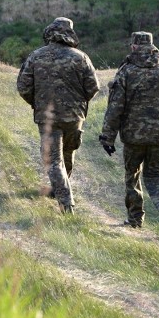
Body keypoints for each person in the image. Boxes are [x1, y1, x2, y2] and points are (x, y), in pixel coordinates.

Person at [99, 31, 159, 234]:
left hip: (133, 137)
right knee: (158, 176)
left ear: (134, 47)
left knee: (132, 176)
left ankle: (135, 218)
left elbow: (115, 108)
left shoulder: (126, 72)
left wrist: (108, 137)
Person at [17, 17, 100, 214]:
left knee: (53, 160)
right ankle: (61, 189)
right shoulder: (80, 57)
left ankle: (66, 202)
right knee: (68, 153)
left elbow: (23, 87)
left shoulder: (36, 56)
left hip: (48, 117)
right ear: (70, 33)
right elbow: (93, 87)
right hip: (74, 117)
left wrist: (36, 103)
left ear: (50, 32)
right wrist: (78, 103)